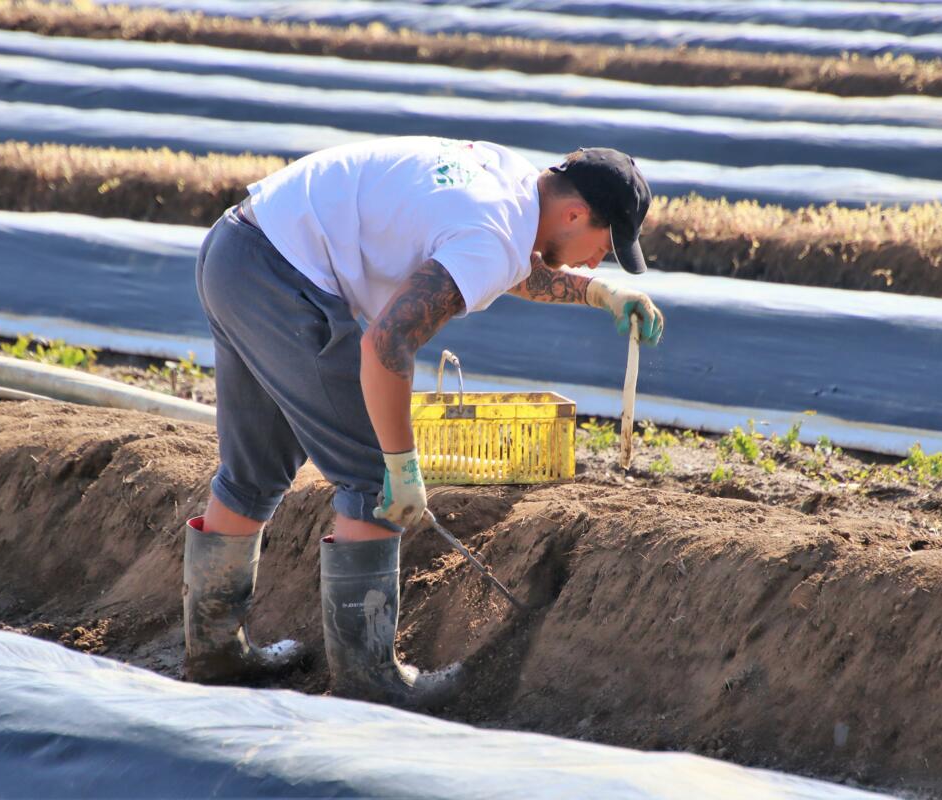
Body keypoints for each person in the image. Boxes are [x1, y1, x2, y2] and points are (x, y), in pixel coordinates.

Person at [183, 137, 664, 708]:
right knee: (370, 479)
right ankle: (369, 681)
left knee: (255, 467)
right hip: (282, 280)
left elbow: (498, 261)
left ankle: (215, 653)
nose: (595, 259)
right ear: (576, 214)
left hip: (239, 248)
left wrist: (597, 292)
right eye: (604, 248)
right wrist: (399, 464)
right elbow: (387, 342)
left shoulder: (506, 175)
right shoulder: (495, 232)